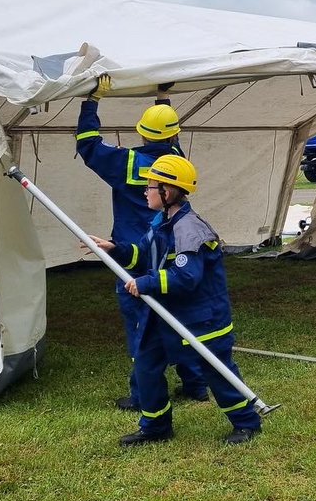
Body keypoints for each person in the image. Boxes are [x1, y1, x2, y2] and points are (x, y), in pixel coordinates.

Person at [89, 155, 262, 446]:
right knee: (145, 365)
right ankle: (156, 427)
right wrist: (115, 249)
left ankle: (246, 423)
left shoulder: (190, 230)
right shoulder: (161, 223)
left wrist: (145, 283)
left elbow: (186, 277)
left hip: (200, 318)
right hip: (164, 316)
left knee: (217, 371)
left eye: (150, 186)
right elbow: (143, 256)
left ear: (167, 193)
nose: (145, 191)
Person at [77, 76, 207, 412]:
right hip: (169, 247)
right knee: (177, 315)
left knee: (141, 324)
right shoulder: (176, 160)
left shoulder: (127, 163)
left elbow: (89, 145)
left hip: (132, 253)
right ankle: (196, 384)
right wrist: (163, 99)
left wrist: (91, 102)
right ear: (174, 135)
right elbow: (168, 135)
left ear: (142, 133)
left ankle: (142, 395)